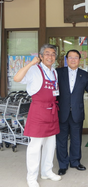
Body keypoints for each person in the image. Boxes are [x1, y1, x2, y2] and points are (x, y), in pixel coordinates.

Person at [13, 44, 61, 187]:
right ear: (40, 56)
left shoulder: (54, 72)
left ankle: (47, 171)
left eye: (53, 54)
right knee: (35, 146)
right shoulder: (34, 69)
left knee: (50, 144)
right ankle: (32, 177)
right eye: (47, 53)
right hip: (39, 110)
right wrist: (30, 63)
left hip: (52, 111)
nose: (50, 56)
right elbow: (16, 78)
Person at [56, 49, 88, 176]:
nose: (73, 60)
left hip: (77, 112)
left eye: (75, 57)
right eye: (70, 57)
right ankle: (63, 164)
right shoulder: (58, 72)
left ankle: (75, 161)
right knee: (61, 140)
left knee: (76, 139)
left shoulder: (84, 74)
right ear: (66, 59)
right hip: (61, 111)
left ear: (79, 60)